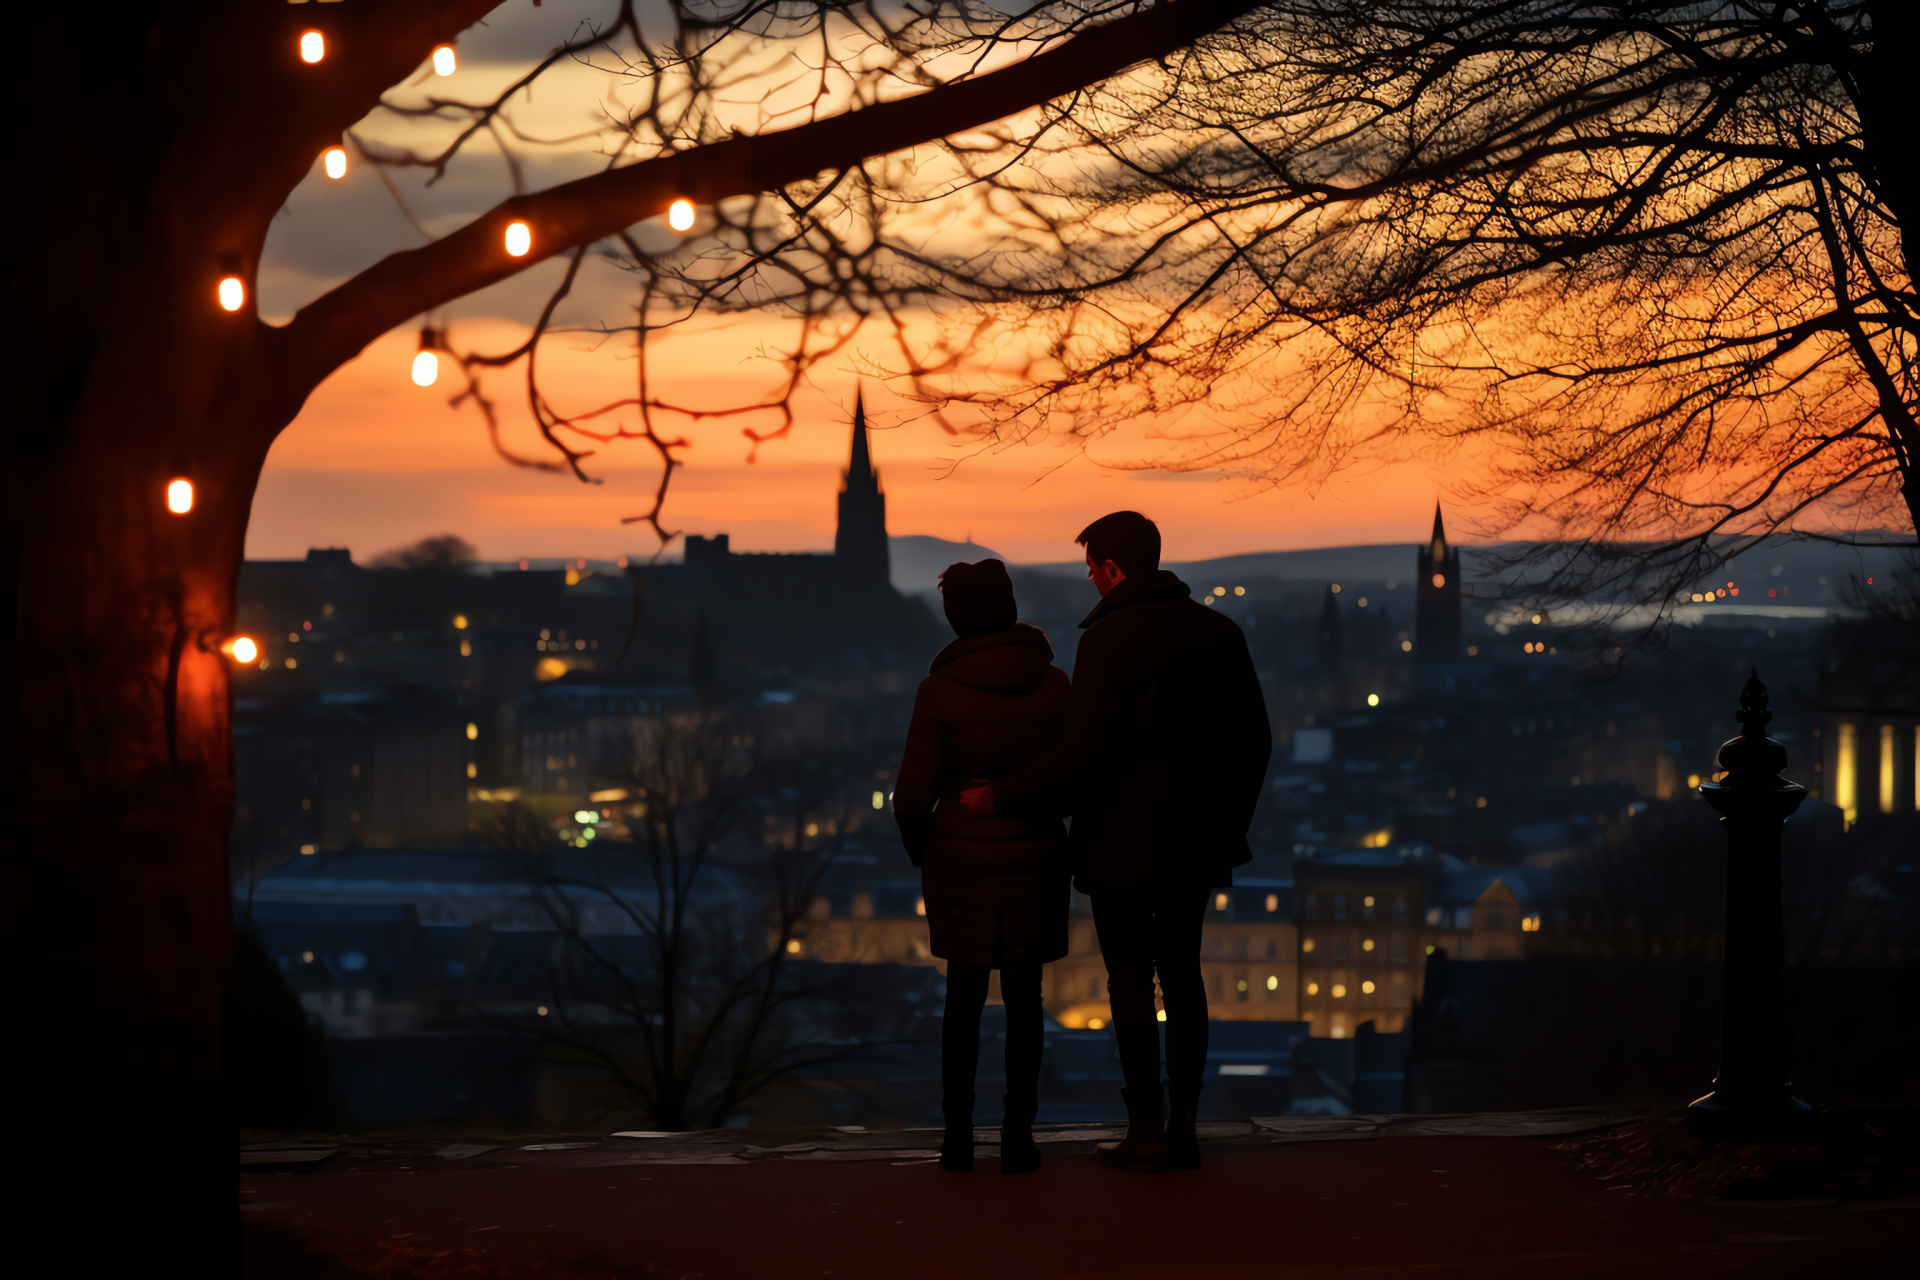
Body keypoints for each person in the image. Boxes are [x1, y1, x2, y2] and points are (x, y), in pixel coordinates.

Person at [961, 512, 1269, 1172]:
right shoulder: (1219, 633)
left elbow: (1081, 753)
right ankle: (1185, 1121)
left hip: (1118, 845)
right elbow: (1253, 744)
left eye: (1093, 569)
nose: (1091, 582)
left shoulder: (1106, 640)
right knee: (1183, 975)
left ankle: (1145, 1129)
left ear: (1113, 569)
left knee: (1130, 981)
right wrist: (1227, 826)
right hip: (1195, 843)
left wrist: (1005, 795)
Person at [893, 559, 1071, 1175]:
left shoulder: (938, 691)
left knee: (961, 1003)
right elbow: (1075, 777)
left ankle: (958, 1139)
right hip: (1037, 858)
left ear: (955, 618)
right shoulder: (1055, 686)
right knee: (1027, 1004)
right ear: (1010, 605)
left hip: (960, 860)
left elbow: (912, 795)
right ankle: (1019, 1137)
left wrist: (931, 848)